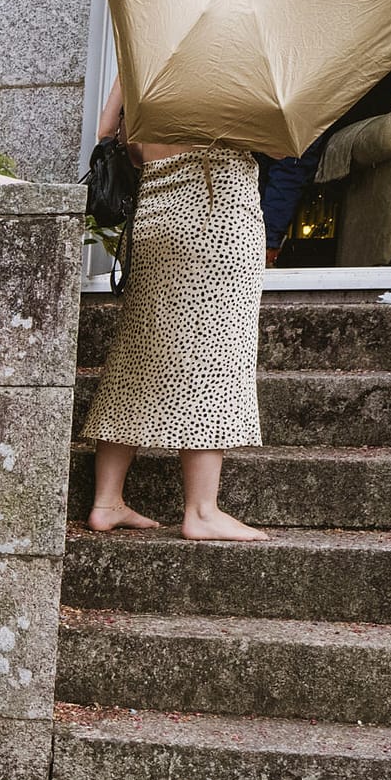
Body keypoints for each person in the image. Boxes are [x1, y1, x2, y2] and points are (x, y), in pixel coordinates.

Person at [81, 76, 270, 543]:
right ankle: (202, 511)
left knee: (137, 356)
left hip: (155, 214)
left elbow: (110, 134)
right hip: (216, 212)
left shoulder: (145, 50)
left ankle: (107, 501)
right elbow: (278, 146)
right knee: (215, 356)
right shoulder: (222, 58)